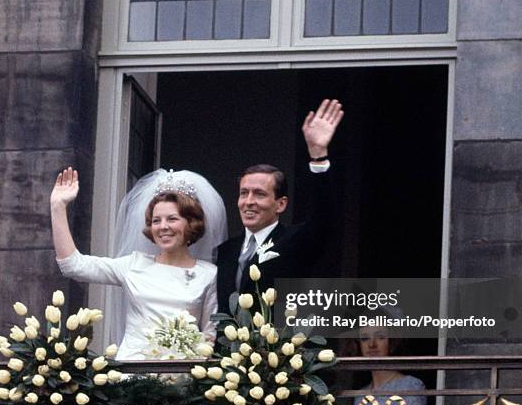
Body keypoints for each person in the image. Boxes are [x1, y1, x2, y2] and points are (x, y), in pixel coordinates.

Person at [50, 167, 228, 360]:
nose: (163, 227)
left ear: (191, 223)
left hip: (183, 378)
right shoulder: (133, 264)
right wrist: (57, 207)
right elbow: (74, 266)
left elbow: (210, 337)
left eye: (172, 219)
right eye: (156, 221)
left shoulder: (209, 274)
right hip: (131, 375)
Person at [216, 99, 344, 313]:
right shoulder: (225, 251)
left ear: (281, 204)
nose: (248, 201)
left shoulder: (295, 241)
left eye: (259, 194)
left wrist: (318, 155)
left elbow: (325, 218)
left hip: (280, 344)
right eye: (244, 193)